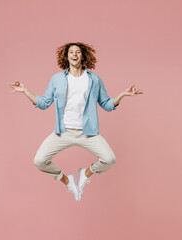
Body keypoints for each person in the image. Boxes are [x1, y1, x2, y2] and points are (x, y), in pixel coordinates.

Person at [8, 42, 143, 201]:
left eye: (77, 52)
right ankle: (67, 180)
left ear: (83, 55)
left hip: (88, 132)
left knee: (110, 159)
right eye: (71, 52)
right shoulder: (57, 79)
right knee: (39, 161)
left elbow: (106, 104)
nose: (74, 54)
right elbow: (43, 103)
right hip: (63, 132)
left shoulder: (94, 80)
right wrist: (25, 91)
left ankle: (85, 174)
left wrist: (122, 95)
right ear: (66, 56)